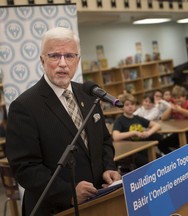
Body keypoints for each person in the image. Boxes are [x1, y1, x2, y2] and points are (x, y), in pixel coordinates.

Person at [5, 27, 121, 216]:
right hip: (56, 208)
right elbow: (25, 168)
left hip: (99, 201)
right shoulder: (24, 106)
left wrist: (109, 168)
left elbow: (104, 142)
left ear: (78, 60)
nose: (63, 64)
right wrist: (68, 193)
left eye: (69, 56)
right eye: (55, 56)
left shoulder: (89, 94)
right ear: (42, 60)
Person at [112, 93, 161, 167]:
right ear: (122, 107)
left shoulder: (137, 118)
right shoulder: (119, 120)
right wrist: (133, 132)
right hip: (130, 151)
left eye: (132, 104)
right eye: (127, 105)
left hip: (141, 147)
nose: (130, 107)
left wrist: (148, 133)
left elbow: (157, 125)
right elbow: (115, 136)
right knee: (149, 163)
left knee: (159, 158)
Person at [158, 85, 188, 154]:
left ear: (184, 97)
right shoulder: (174, 105)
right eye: (175, 98)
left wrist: (180, 110)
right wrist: (170, 108)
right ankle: (175, 157)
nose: (177, 100)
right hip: (178, 132)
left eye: (179, 98)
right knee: (161, 144)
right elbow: (163, 118)